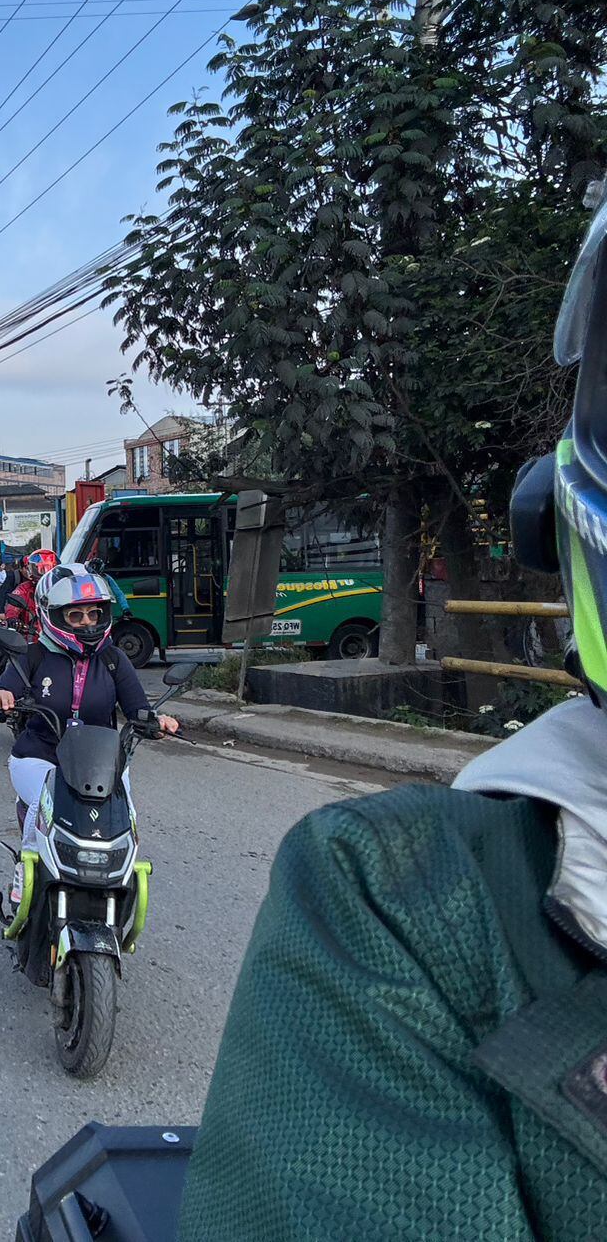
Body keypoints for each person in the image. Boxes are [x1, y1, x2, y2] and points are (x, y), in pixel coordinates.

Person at [176, 191, 607, 1239]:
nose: (90, 612)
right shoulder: (399, 898)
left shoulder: (97, 649)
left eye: (92, 608)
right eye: (78, 606)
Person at [0, 563, 178, 850]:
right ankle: (24, 879)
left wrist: (157, 721)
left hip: (102, 764)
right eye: (75, 615)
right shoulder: (33, 656)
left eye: (93, 614)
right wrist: (0, 696)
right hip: (40, 758)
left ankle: (127, 883)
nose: (87, 622)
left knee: (125, 821)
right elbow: (4, 690)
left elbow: (138, 709)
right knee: (43, 813)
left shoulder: (114, 659)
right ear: (52, 615)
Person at [2, 548, 59, 638]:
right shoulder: (24, 588)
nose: (44, 573)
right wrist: (12, 619)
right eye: (39, 569)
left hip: (61, 636)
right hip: (33, 637)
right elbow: (13, 607)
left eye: (47, 568)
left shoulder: (63, 588)